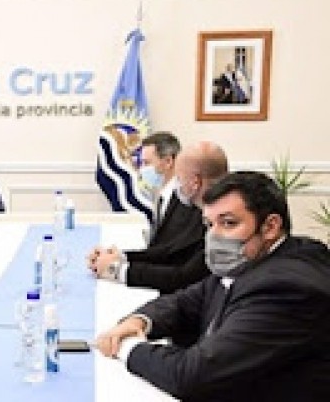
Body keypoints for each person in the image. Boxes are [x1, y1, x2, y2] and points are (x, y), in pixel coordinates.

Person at [94, 171, 330, 399]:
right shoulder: (251, 261)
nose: (214, 237)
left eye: (228, 223)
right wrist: (139, 322)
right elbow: (184, 301)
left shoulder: (287, 289)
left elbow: (191, 377)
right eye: (209, 225)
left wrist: (126, 346)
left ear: (270, 227)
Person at [94, 140, 229, 296]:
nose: (176, 185)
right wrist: (120, 257)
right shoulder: (199, 207)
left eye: (179, 178)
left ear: (195, 182)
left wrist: (116, 270)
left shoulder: (220, 221)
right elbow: (171, 250)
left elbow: (183, 277)